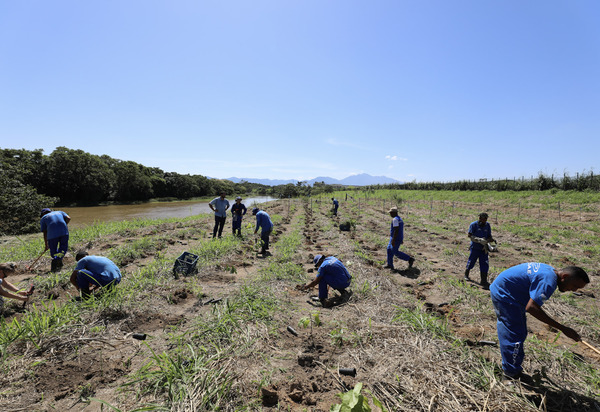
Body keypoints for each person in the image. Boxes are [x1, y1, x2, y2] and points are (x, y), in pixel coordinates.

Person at [490, 263, 589, 383]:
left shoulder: (549, 271)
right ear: (565, 276)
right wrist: (562, 328)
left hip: (507, 291)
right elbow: (532, 307)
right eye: (574, 286)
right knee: (514, 335)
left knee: (518, 332)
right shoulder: (549, 281)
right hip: (506, 295)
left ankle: (514, 370)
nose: (574, 290)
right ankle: (510, 375)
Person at [464, 212, 495, 289]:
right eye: (483, 218)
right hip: (475, 247)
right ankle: (466, 274)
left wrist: (490, 240)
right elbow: (469, 235)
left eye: (485, 219)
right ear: (480, 218)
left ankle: (483, 281)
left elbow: (489, 235)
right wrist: (478, 240)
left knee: (484, 264)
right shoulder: (473, 225)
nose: (484, 220)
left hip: (483, 248)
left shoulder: (487, 225)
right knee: (471, 261)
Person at [40, 208, 71, 272]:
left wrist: (46, 245)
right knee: (63, 248)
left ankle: (55, 262)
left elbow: (45, 232)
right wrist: (64, 224)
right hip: (64, 232)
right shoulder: (60, 212)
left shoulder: (44, 217)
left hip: (52, 235)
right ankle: (59, 261)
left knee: (53, 251)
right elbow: (68, 218)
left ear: (43, 213)